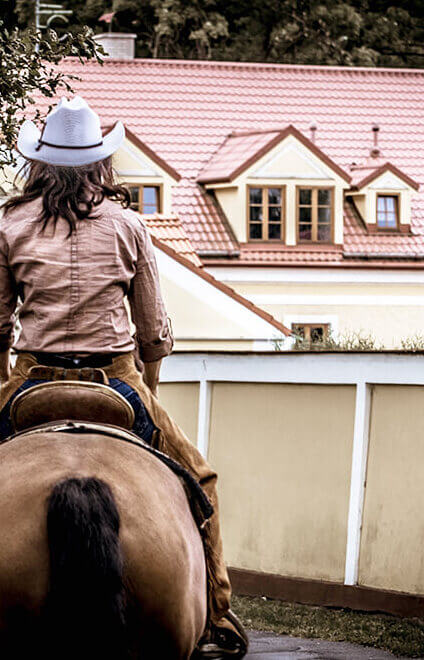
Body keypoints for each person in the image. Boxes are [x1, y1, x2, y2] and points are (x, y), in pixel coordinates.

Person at [0, 96, 248, 658]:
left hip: (30, 379)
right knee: (201, 479)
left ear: (39, 163)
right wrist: (146, 393)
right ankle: (221, 614)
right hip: (117, 381)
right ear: (100, 165)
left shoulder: (10, 223)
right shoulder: (130, 225)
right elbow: (154, 332)